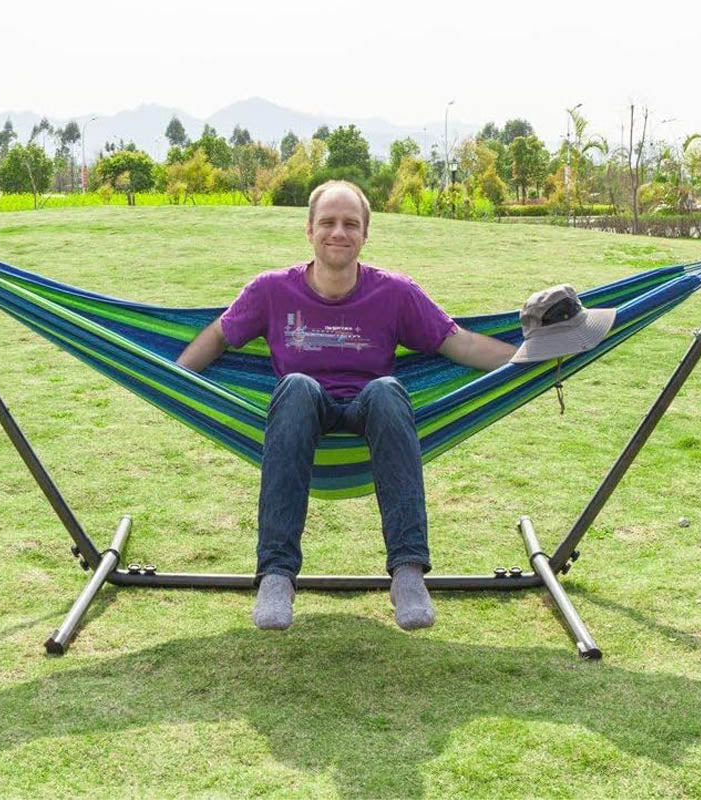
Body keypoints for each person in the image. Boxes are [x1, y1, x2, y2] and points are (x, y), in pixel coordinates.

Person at [177, 180, 516, 632]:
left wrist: (530, 360)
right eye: (328, 222)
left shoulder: (395, 293)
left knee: (388, 390)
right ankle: (276, 575)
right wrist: (174, 379)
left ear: (365, 234)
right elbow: (220, 334)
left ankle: (408, 573)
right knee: (296, 385)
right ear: (309, 230)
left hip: (369, 408)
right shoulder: (271, 291)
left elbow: (462, 344)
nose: (339, 232)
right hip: (302, 413)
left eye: (351, 224)